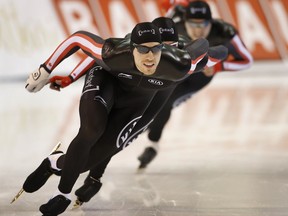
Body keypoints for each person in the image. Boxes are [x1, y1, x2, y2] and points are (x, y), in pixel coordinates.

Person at [18, 19, 226, 215]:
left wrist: (95, 176)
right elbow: (86, 46)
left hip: (139, 101)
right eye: (144, 49)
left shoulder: (181, 64)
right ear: (134, 48)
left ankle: (54, 163)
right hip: (107, 82)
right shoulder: (119, 52)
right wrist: (48, 71)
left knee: (99, 152)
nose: (151, 57)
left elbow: (216, 52)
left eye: (161, 49)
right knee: (92, 129)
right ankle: (62, 194)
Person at [137, 0, 254, 169]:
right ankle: (145, 127)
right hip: (178, 68)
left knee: (166, 103)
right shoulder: (174, 26)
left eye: (203, 24)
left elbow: (247, 61)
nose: (198, 30)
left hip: (199, 75)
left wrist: (219, 67)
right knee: (153, 98)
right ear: (184, 21)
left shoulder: (225, 32)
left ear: (211, 22)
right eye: (192, 24)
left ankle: (152, 145)